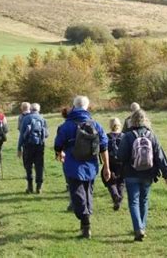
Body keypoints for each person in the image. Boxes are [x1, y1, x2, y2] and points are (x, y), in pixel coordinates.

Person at [54, 96, 110, 239]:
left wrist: (59, 155)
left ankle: (85, 222)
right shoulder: (96, 125)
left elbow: (58, 145)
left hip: (73, 166)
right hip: (91, 165)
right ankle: (85, 222)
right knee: (87, 192)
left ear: (73, 106)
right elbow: (104, 147)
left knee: (77, 195)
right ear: (86, 107)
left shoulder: (66, 125)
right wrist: (106, 167)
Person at [117, 109, 167, 242]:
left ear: (132, 121)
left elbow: (121, 156)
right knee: (144, 201)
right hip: (148, 173)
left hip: (131, 174)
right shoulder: (151, 135)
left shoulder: (128, 136)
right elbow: (160, 156)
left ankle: (138, 229)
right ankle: (142, 227)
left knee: (134, 201)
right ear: (145, 120)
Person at [17, 103, 48, 194]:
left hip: (28, 145)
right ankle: (39, 187)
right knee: (39, 166)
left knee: (28, 166)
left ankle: (30, 186)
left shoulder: (26, 118)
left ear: (30, 109)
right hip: (39, 145)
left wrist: (19, 148)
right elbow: (46, 134)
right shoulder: (42, 118)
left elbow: (22, 135)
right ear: (39, 110)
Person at [101, 117, 125, 211]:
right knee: (121, 181)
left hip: (110, 162)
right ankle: (119, 197)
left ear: (110, 126)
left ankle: (115, 196)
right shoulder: (124, 136)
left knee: (109, 180)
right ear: (120, 125)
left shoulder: (106, 136)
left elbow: (103, 149)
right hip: (122, 162)